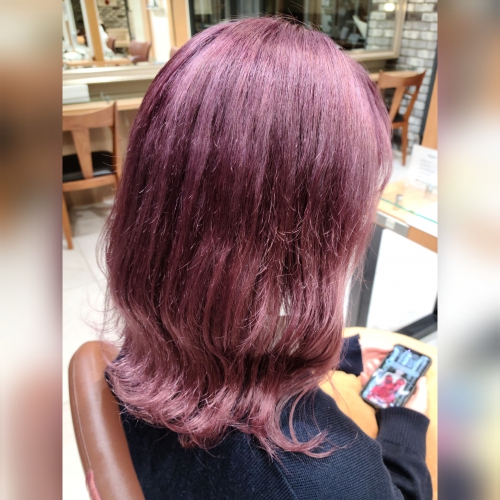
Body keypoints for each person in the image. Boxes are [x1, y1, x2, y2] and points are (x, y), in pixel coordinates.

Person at [103, 16, 432, 499]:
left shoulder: (145, 351)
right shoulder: (325, 476)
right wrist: (405, 426)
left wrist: (343, 355)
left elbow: (227, 345)